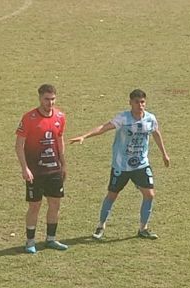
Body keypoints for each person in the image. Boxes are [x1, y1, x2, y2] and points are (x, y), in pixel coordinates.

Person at [69, 89, 170, 240]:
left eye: (142, 102)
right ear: (130, 103)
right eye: (136, 102)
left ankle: (143, 228)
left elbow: (156, 133)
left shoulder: (150, 118)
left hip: (141, 165)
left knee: (149, 195)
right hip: (121, 166)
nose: (140, 105)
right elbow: (104, 128)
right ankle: (100, 225)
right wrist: (85, 136)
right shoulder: (123, 118)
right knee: (112, 195)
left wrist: (164, 154)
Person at [14, 84, 69, 254]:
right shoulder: (29, 118)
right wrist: (25, 168)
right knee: (35, 206)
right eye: (46, 99)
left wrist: (63, 164)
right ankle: (30, 241)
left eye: (52, 99)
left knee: (55, 204)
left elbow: (59, 140)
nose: (50, 103)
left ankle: (51, 239)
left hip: (54, 170)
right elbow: (19, 145)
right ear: (39, 98)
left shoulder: (60, 116)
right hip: (35, 171)